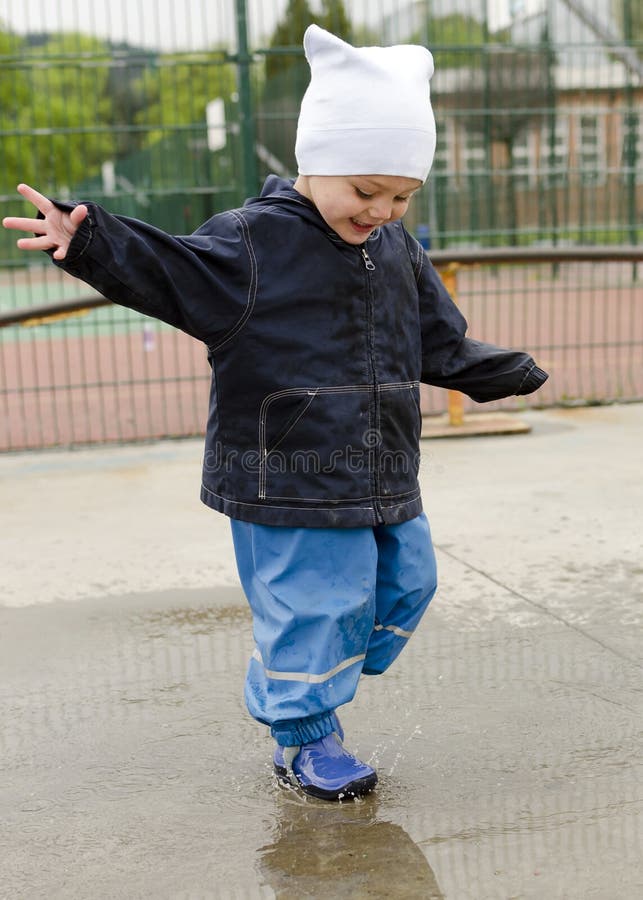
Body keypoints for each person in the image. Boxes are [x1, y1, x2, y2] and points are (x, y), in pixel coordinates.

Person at [3, 25, 548, 801]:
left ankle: (308, 670)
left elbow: (436, 338)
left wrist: (503, 373)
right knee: (317, 605)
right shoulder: (253, 241)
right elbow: (171, 271)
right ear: (317, 162)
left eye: (400, 196)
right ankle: (304, 737)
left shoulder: (394, 248)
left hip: (378, 462)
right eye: (365, 192)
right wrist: (89, 241)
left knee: (408, 582)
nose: (382, 211)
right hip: (283, 468)